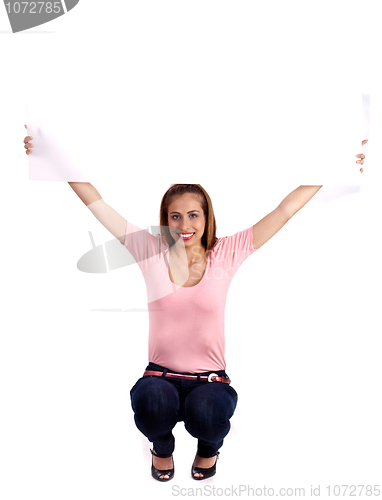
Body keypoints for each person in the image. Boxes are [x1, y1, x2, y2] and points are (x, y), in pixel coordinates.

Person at [23, 128, 367, 482]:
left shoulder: (227, 253)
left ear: (206, 218)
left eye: (192, 215)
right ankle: (161, 446)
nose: (184, 225)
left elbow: (284, 209)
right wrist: (53, 157)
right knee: (152, 406)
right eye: (175, 216)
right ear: (165, 219)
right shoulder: (149, 250)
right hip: (159, 375)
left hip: (211, 381)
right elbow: (96, 202)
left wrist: (332, 167)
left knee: (208, 413)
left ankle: (207, 449)